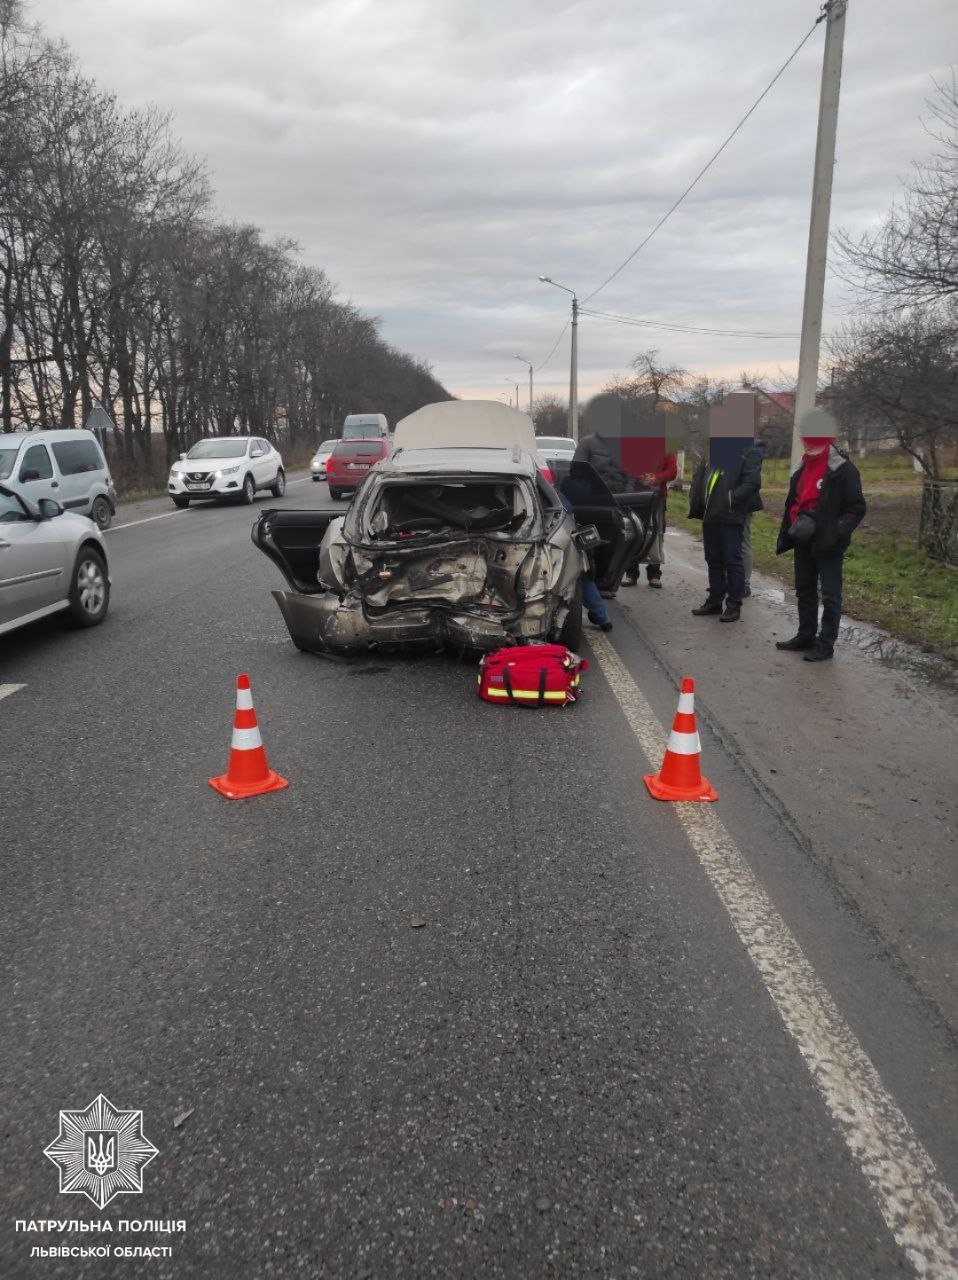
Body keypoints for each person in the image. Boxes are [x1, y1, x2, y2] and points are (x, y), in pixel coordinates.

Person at [775, 421, 865, 662]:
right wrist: (792, 524)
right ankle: (805, 636)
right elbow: (793, 500)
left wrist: (836, 532)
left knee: (830, 594)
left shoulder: (843, 469)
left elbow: (856, 508)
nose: (809, 443)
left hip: (829, 543)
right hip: (803, 538)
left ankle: (825, 644)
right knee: (804, 590)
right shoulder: (801, 467)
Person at [688, 443, 762, 623]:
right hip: (710, 514)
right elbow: (702, 476)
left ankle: (733, 605)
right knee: (713, 560)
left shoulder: (749, 451)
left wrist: (731, 500)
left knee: (732, 561)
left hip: (730, 515)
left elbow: (752, 482)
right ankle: (714, 601)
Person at [621, 448, 677, 588]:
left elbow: (672, 471)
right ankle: (631, 573)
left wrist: (656, 477)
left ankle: (654, 574)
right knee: (632, 532)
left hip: (656, 498)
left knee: (656, 533)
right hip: (633, 496)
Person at [557, 487, 612, 632]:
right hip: (561, 538)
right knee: (582, 575)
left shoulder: (547, 491)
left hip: (558, 540)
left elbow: (566, 509)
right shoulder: (547, 488)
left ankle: (602, 617)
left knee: (580, 574)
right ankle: (602, 617)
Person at [740, 439, 766, 598]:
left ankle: (744, 583)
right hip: (723, 503)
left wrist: (733, 497)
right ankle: (728, 579)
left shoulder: (754, 448)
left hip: (742, 504)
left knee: (743, 541)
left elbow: (751, 480)